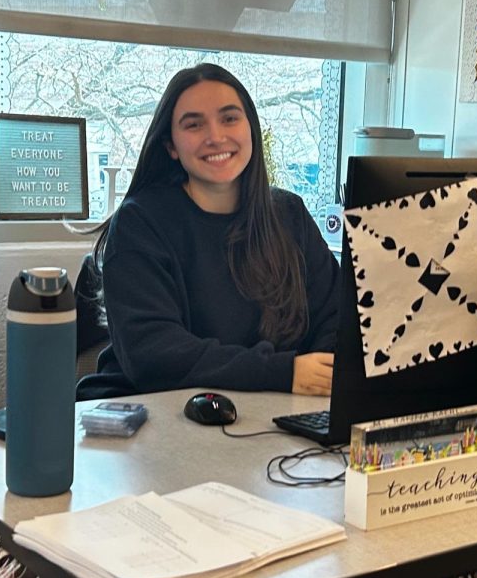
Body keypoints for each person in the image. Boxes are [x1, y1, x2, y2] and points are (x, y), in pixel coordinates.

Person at [90, 63, 340, 397]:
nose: (215, 136)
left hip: (274, 411)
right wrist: (283, 373)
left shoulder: (289, 214)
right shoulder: (140, 224)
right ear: (171, 146)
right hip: (150, 412)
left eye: (229, 118)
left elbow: (337, 314)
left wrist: (322, 379)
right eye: (194, 124)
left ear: (251, 128)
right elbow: (154, 355)